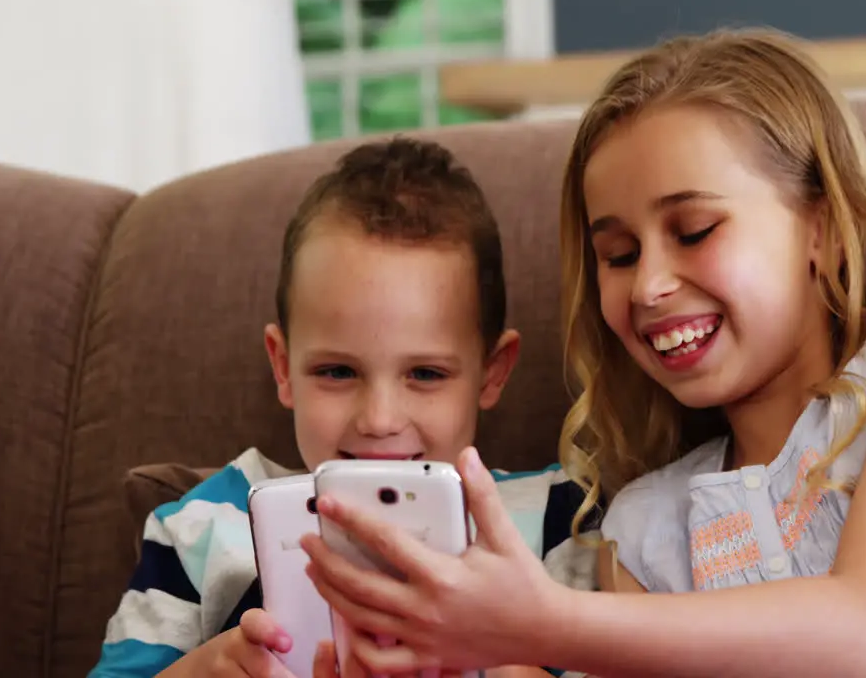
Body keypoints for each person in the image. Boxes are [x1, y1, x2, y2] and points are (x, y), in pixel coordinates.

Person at [297, 28, 866, 678]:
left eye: (693, 230)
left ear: (819, 226)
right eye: (616, 255)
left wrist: (548, 623)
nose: (649, 282)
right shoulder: (648, 531)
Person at [89, 138, 595, 677]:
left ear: (493, 372)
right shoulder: (198, 528)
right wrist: (200, 671)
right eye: (337, 372)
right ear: (283, 367)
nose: (379, 420)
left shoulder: (563, 519)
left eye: (425, 374)